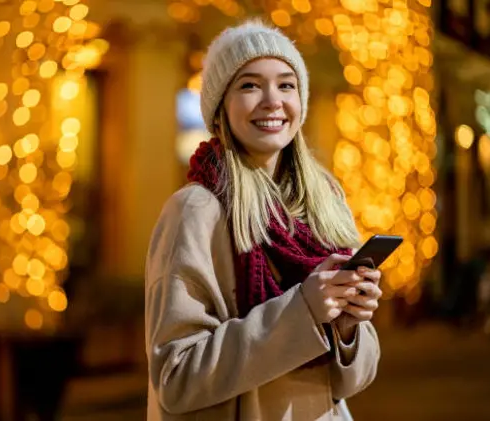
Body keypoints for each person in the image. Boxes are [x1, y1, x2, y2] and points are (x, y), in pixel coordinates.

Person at [145, 19, 381, 421]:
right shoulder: (196, 211)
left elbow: (346, 383)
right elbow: (176, 378)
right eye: (250, 85)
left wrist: (346, 326)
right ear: (221, 106)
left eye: (286, 85)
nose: (273, 100)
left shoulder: (324, 203)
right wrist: (303, 311)